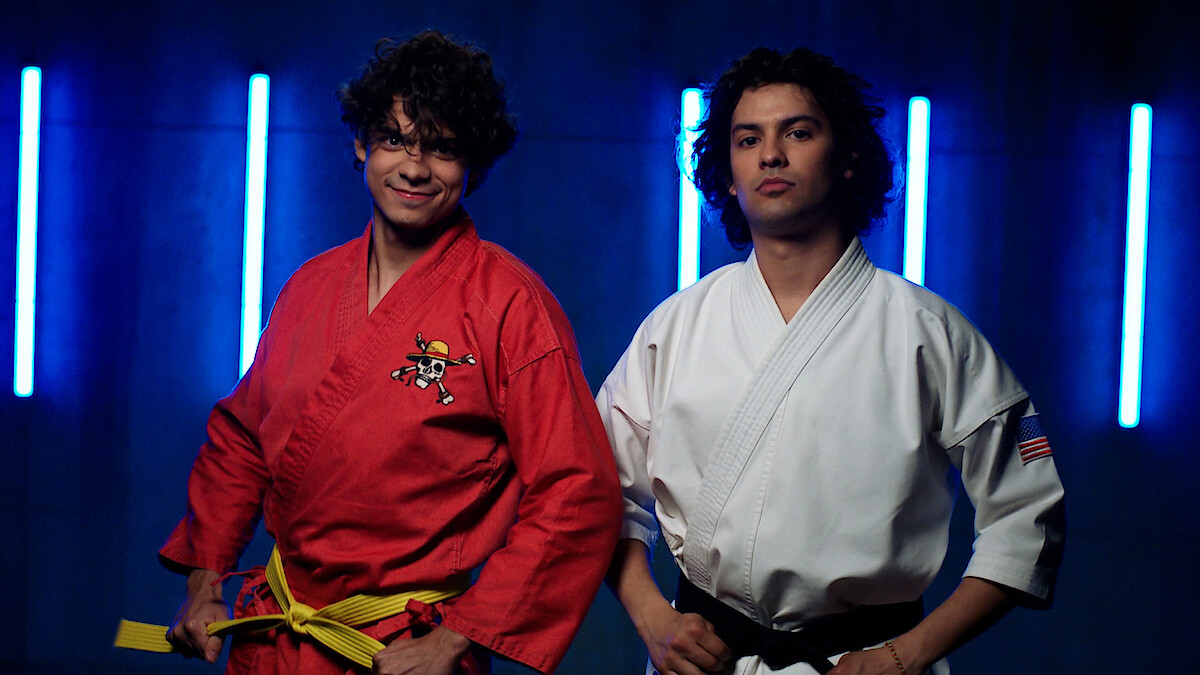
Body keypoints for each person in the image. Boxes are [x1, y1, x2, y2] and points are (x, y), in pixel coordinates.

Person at [158, 31, 622, 674]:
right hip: (277, 638)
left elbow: (577, 490)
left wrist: (458, 637)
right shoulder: (309, 285)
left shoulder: (511, 306)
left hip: (402, 650)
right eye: (395, 139)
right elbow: (241, 438)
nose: (412, 166)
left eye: (441, 148)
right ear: (361, 144)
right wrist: (205, 582)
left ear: (474, 166)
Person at [598, 46, 1066, 675]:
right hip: (703, 661)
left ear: (847, 157)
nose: (770, 155)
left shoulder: (928, 334)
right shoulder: (675, 326)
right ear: (728, 172)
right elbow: (598, 492)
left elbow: (1027, 515)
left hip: (867, 664)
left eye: (797, 131)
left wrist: (907, 656)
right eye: (747, 139)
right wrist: (652, 617)